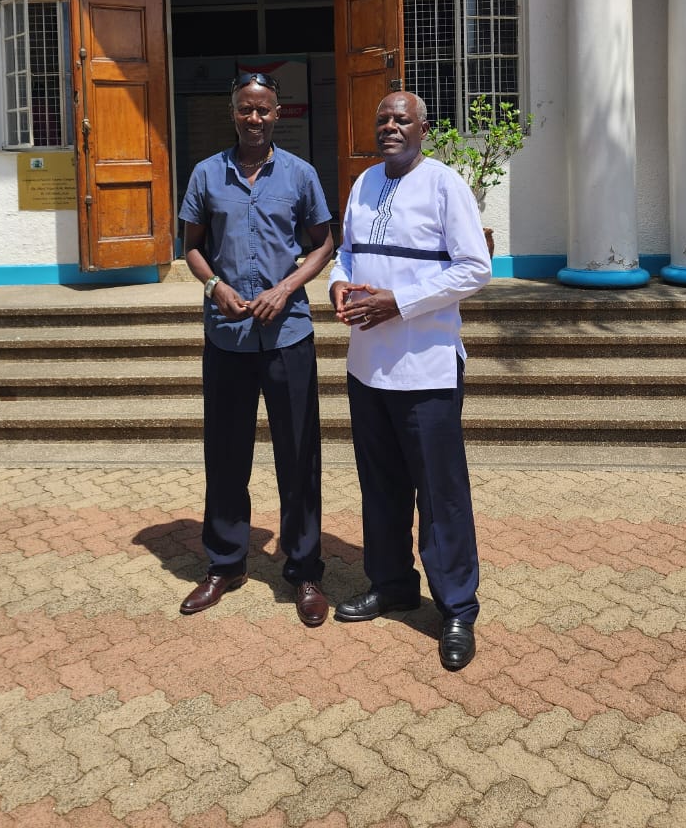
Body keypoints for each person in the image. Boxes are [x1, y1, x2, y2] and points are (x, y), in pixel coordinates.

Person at [329, 90, 492, 670]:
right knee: (381, 486)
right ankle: (393, 582)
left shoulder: (445, 184)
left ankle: (456, 608)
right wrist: (337, 286)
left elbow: (476, 267)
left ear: (424, 128)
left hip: (426, 367)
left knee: (441, 494)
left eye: (402, 118)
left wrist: (403, 302)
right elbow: (345, 254)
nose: (390, 125)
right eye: (382, 118)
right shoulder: (364, 183)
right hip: (367, 367)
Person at [178, 70, 334, 627]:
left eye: (264, 110)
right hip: (228, 337)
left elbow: (324, 243)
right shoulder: (205, 174)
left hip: (288, 333)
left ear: (277, 113)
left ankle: (305, 569)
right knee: (225, 454)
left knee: (298, 455)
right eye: (245, 109)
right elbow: (191, 245)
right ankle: (225, 563)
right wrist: (213, 286)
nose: (254, 118)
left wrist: (287, 287)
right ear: (233, 112)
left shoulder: (300, 175)